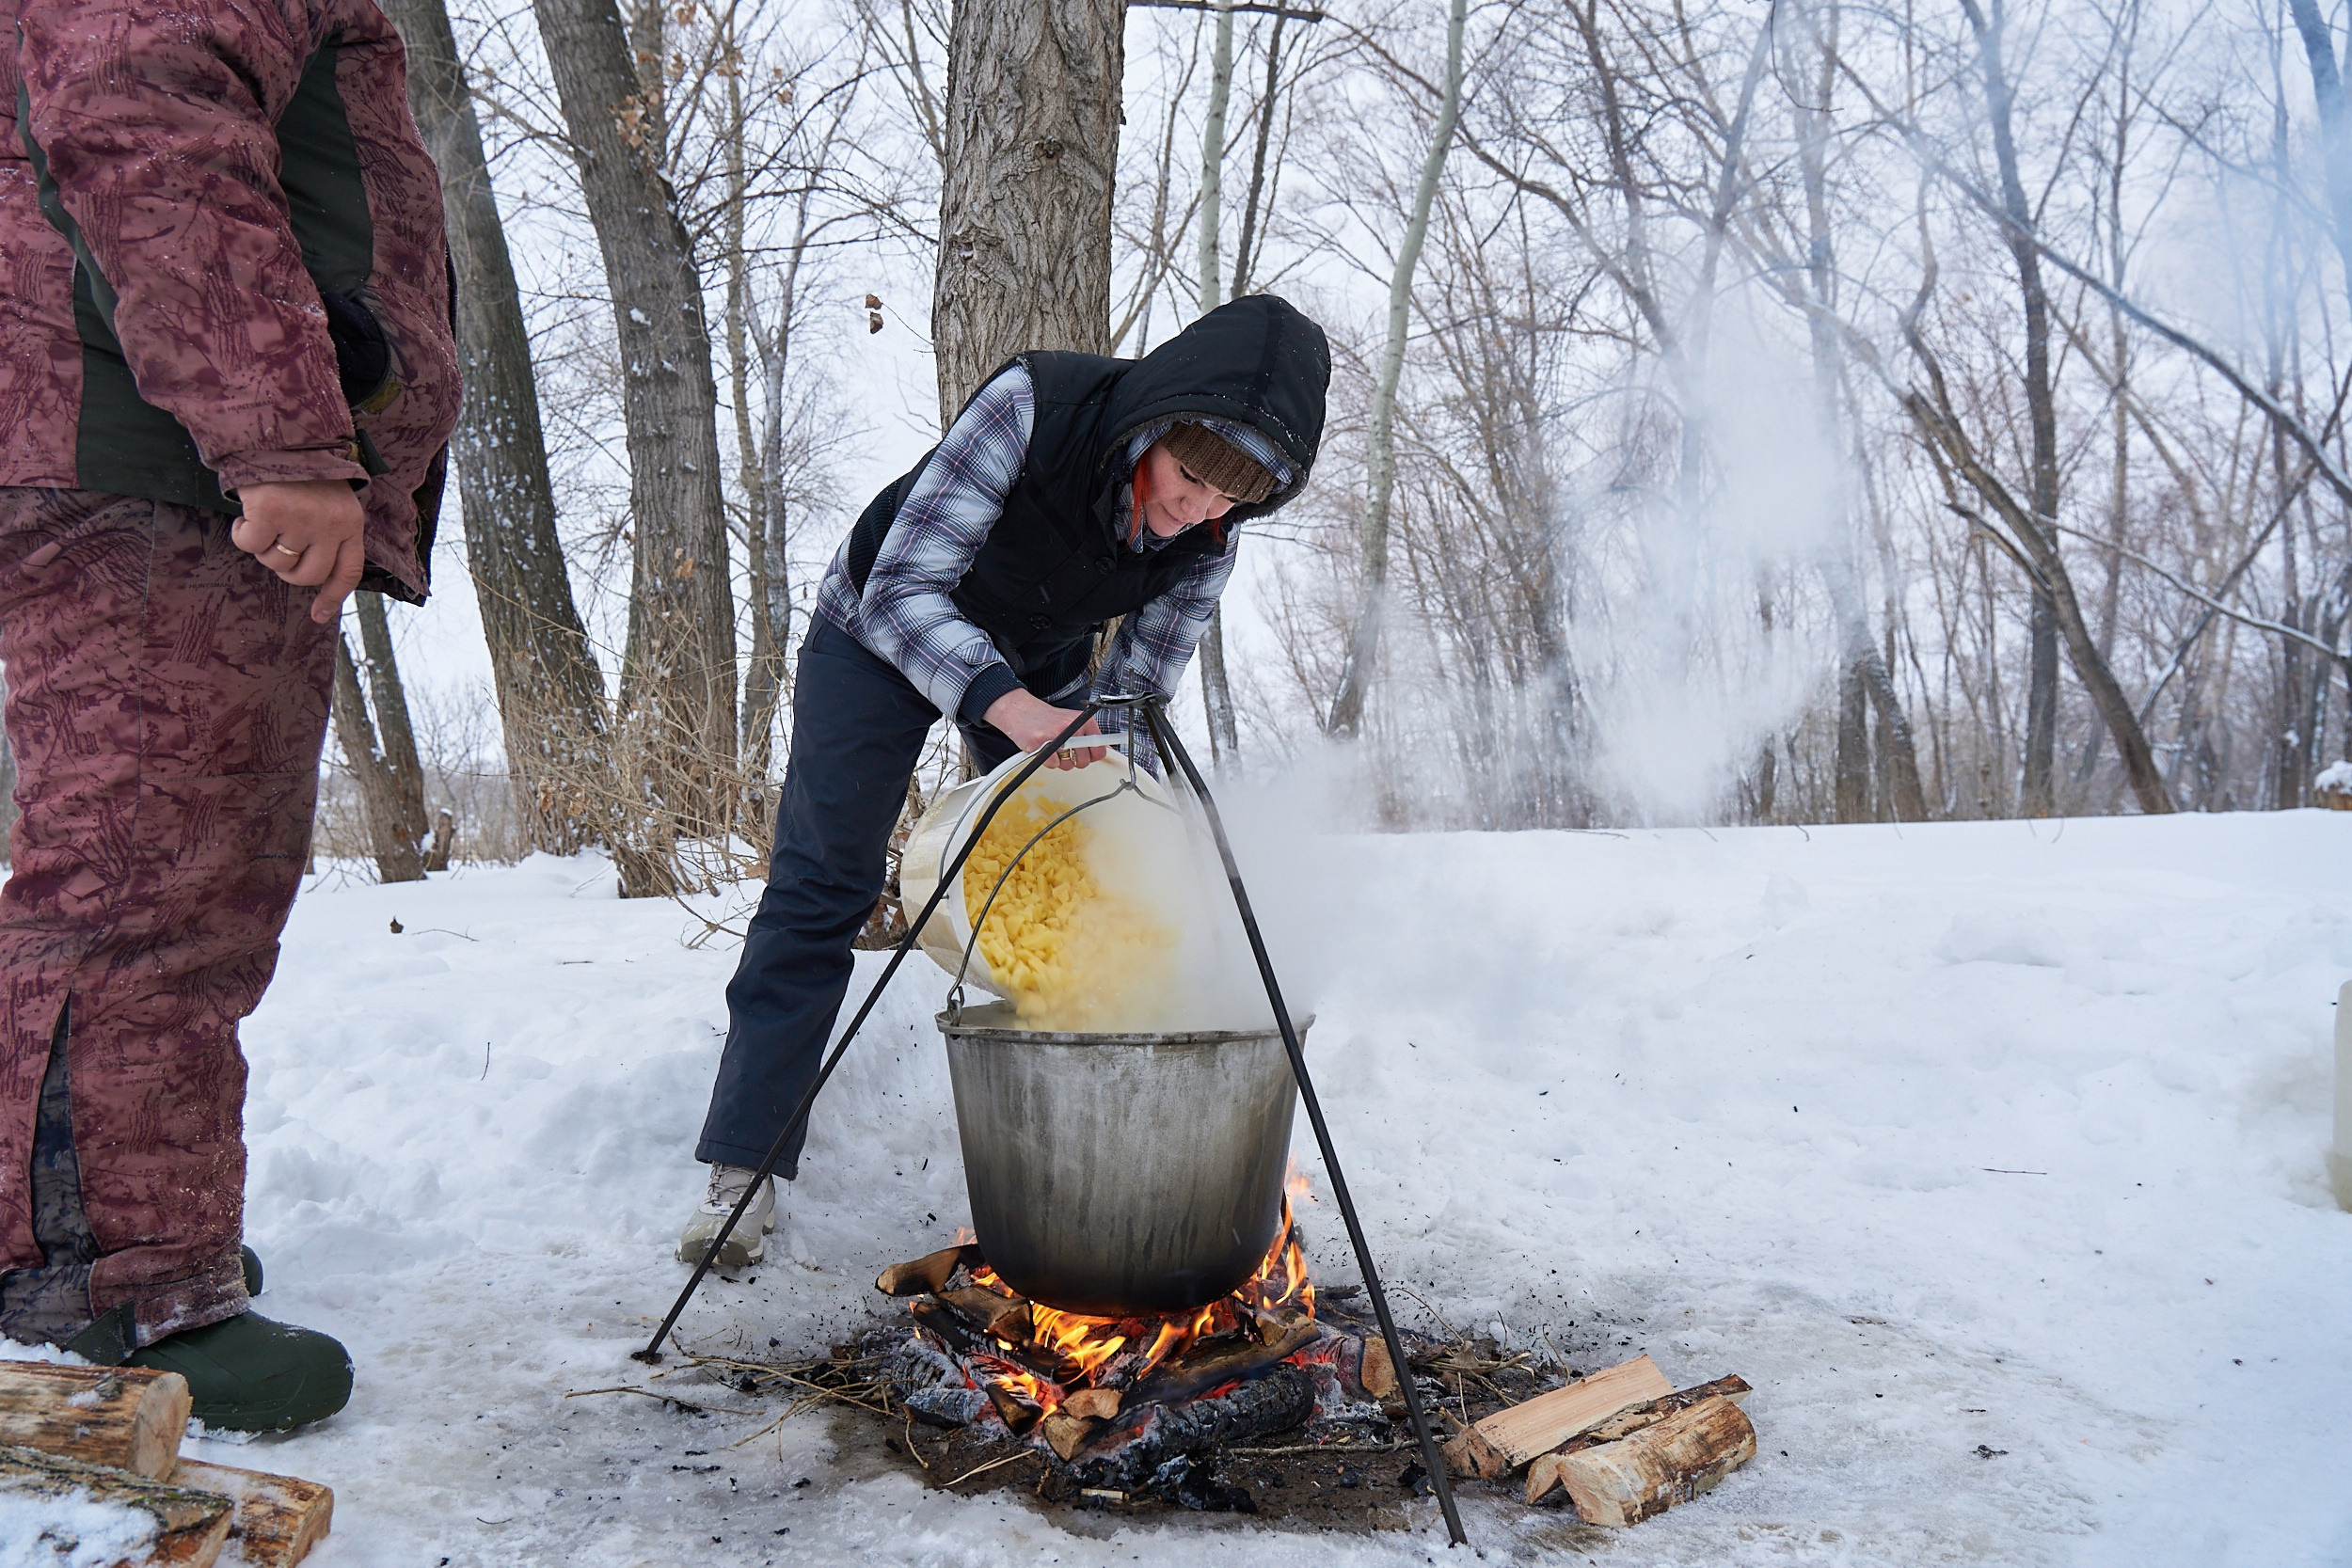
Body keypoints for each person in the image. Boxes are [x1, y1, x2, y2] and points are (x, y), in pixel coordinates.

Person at [0, 1, 461, 1429]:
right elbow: (141, 104)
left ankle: (80, 1231)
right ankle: (115, 1284)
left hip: (154, 445)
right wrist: (278, 432)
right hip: (162, 457)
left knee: (163, 866)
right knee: (152, 881)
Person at [680, 293, 1330, 1267]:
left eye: (1231, 498)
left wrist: (1137, 821)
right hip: (879, 624)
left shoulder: (1208, 542)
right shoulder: (1032, 405)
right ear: (1155, 426)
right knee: (826, 882)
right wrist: (1006, 707)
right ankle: (743, 1171)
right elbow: (904, 592)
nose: (1197, 510)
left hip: (1037, 650)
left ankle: (1079, 1160)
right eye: (1187, 475)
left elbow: (1139, 696)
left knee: (1080, 888)